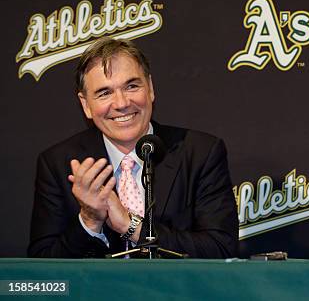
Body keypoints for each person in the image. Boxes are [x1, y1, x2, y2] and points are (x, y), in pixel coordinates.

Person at [28, 37, 238, 258]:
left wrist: (132, 227)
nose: (121, 103)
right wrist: (90, 219)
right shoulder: (58, 163)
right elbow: (43, 269)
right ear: (86, 105)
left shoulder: (200, 152)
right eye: (104, 93)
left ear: (150, 88)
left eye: (131, 86)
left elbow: (221, 248)